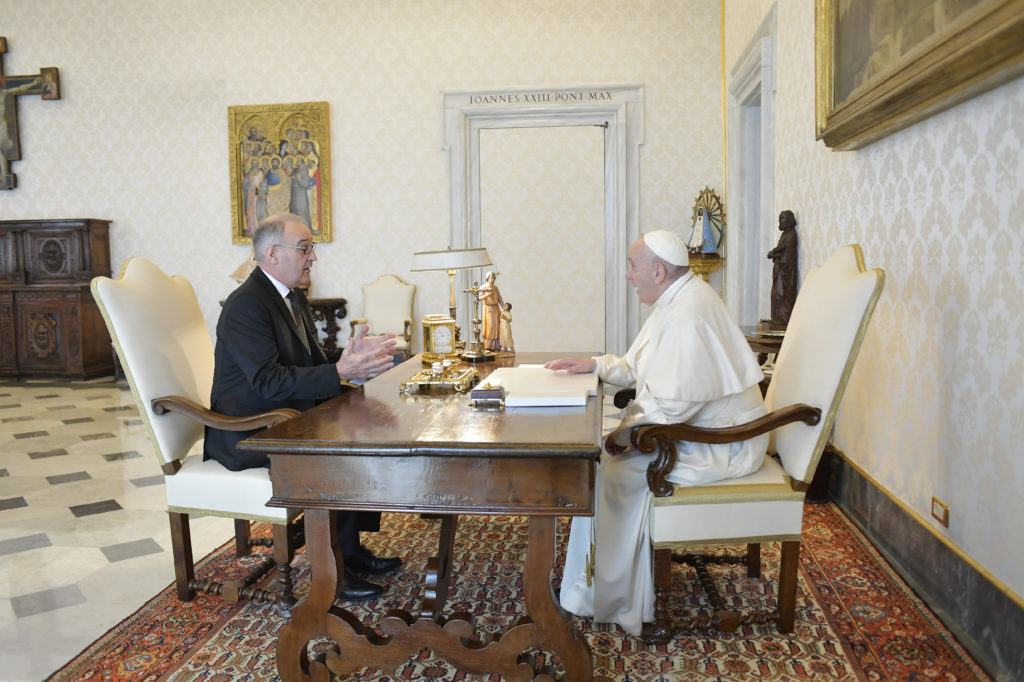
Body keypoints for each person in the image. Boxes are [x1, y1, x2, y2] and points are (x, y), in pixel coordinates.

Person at [545, 230, 768, 636]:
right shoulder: (676, 299)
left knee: (609, 472)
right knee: (602, 458)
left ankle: (614, 599)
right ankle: (590, 582)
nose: (628, 276)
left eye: (633, 266)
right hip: (699, 430)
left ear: (659, 270)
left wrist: (623, 436)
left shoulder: (687, 315)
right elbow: (637, 365)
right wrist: (593, 365)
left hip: (721, 445)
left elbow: (673, 406)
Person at [207, 212, 401, 600]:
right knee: (334, 448)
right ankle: (332, 573)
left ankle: (348, 550)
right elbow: (267, 381)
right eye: (305, 247)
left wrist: (348, 358)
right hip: (248, 429)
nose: (314, 256)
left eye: (312, 248)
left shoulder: (291, 295)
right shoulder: (245, 306)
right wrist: (339, 370)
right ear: (273, 254)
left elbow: (309, 360)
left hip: (284, 415)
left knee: (361, 423)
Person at [767, 210, 798, 325]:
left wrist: (774, 254)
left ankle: (783, 318)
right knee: (775, 294)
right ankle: (777, 316)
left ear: (789, 220)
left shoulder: (791, 235)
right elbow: (781, 248)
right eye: (779, 218)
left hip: (785, 271)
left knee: (782, 294)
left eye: (782, 218)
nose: (779, 221)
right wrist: (774, 253)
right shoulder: (785, 233)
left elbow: (786, 251)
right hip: (779, 270)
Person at [478, 271, 504, 352]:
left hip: (495, 308)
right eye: (491, 278)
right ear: (487, 278)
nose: (492, 279)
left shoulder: (495, 287)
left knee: (497, 327)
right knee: (490, 326)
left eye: (493, 278)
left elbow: (500, 298)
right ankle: (488, 345)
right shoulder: (483, 287)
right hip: (488, 308)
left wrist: (504, 308)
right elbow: (479, 297)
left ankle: (496, 346)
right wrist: (488, 294)